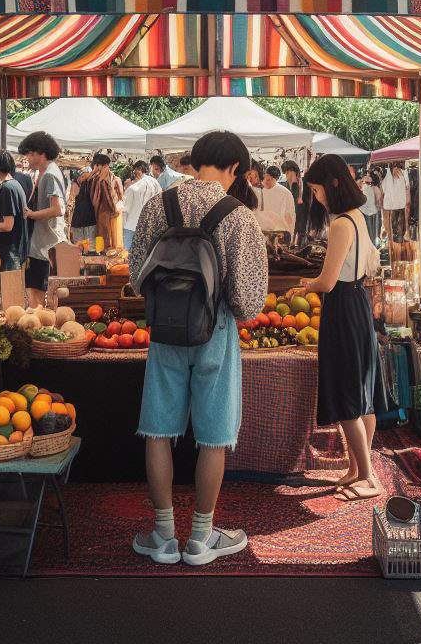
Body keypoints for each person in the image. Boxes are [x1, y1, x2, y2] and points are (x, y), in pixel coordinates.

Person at [129, 131, 267, 566]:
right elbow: (247, 301)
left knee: (157, 429)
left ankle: (164, 535)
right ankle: (201, 539)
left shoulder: (159, 204)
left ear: (196, 161)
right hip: (217, 330)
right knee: (213, 436)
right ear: (232, 169)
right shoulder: (238, 215)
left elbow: (136, 276)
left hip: (166, 330)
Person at [298, 154, 380, 502]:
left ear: (332, 184)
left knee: (347, 396)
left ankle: (367, 475)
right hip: (358, 302)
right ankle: (358, 466)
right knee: (363, 395)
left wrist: (306, 283)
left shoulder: (340, 224)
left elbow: (328, 282)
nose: (315, 197)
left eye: (316, 189)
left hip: (343, 306)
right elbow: (372, 263)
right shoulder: (358, 218)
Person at [19, 131, 67, 307]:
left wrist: (30, 214)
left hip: (44, 245)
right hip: (42, 244)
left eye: (30, 154)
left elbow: (58, 209)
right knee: (37, 292)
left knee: (37, 296)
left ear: (41, 153)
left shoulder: (50, 175)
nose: (27, 158)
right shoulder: (46, 172)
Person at [0, 149, 29, 273]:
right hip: (14, 249)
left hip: (9, 251)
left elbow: (8, 226)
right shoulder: (15, 184)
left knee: (8, 288)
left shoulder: (7, 188)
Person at [122, 160, 161, 250]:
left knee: (127, 253)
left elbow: (125, 208)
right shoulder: (155, 182)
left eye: (135, 170)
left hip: (132, 225)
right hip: (150, 224)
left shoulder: (133, 188)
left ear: (137, 169)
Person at [88, 153, 124, 249]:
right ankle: (104, 256)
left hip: (103, 213)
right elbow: (108, 197)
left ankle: (103, 255)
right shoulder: (99, 179)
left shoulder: (93, 178)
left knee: (104, 237)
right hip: (104, 213)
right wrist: (114, 209)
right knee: (106, 238)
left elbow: (120, 196)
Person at [259, 165, 296, 236]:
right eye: (264, 179)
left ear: (275, 180)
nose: (265, 182)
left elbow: (290, 216)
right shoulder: (259, 191)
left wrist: (290, 234)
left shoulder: (285, 193)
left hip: (278, 232)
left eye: (268, 180)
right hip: (262, 230)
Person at [380, 163, 409, 245]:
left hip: (400, 206)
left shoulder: (402, 178)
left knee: (400, 227)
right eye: (395, 169)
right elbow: (383, 190)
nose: (396, 171)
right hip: (390, 208)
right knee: (390, 228)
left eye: (398, 169)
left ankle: (398, 243)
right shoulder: (387, 178)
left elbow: (407, 188)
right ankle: (391, 244)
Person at [69, 165, 97, 244]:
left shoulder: (91, 183)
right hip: (81, 221)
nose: (83, 178)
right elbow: (71, 199)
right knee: (81, 246)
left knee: (88, 246)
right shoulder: (76, 184)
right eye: (82, 176)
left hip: (88, 220)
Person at [282, 160, 308, 240]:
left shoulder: (303, 184)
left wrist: (294, 183)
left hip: (301, 219)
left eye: (289, 172)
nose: (287, 175)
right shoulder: (284, 186)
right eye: (286, 173)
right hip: (288, 219)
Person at [358, 167, 379, 245]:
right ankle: (373, 247)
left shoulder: (365, 188)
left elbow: (364, 202)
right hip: (372, 212)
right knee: (372, 233)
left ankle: (371, 248)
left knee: (369, 233)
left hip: (367, 213)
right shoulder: (369, 188)